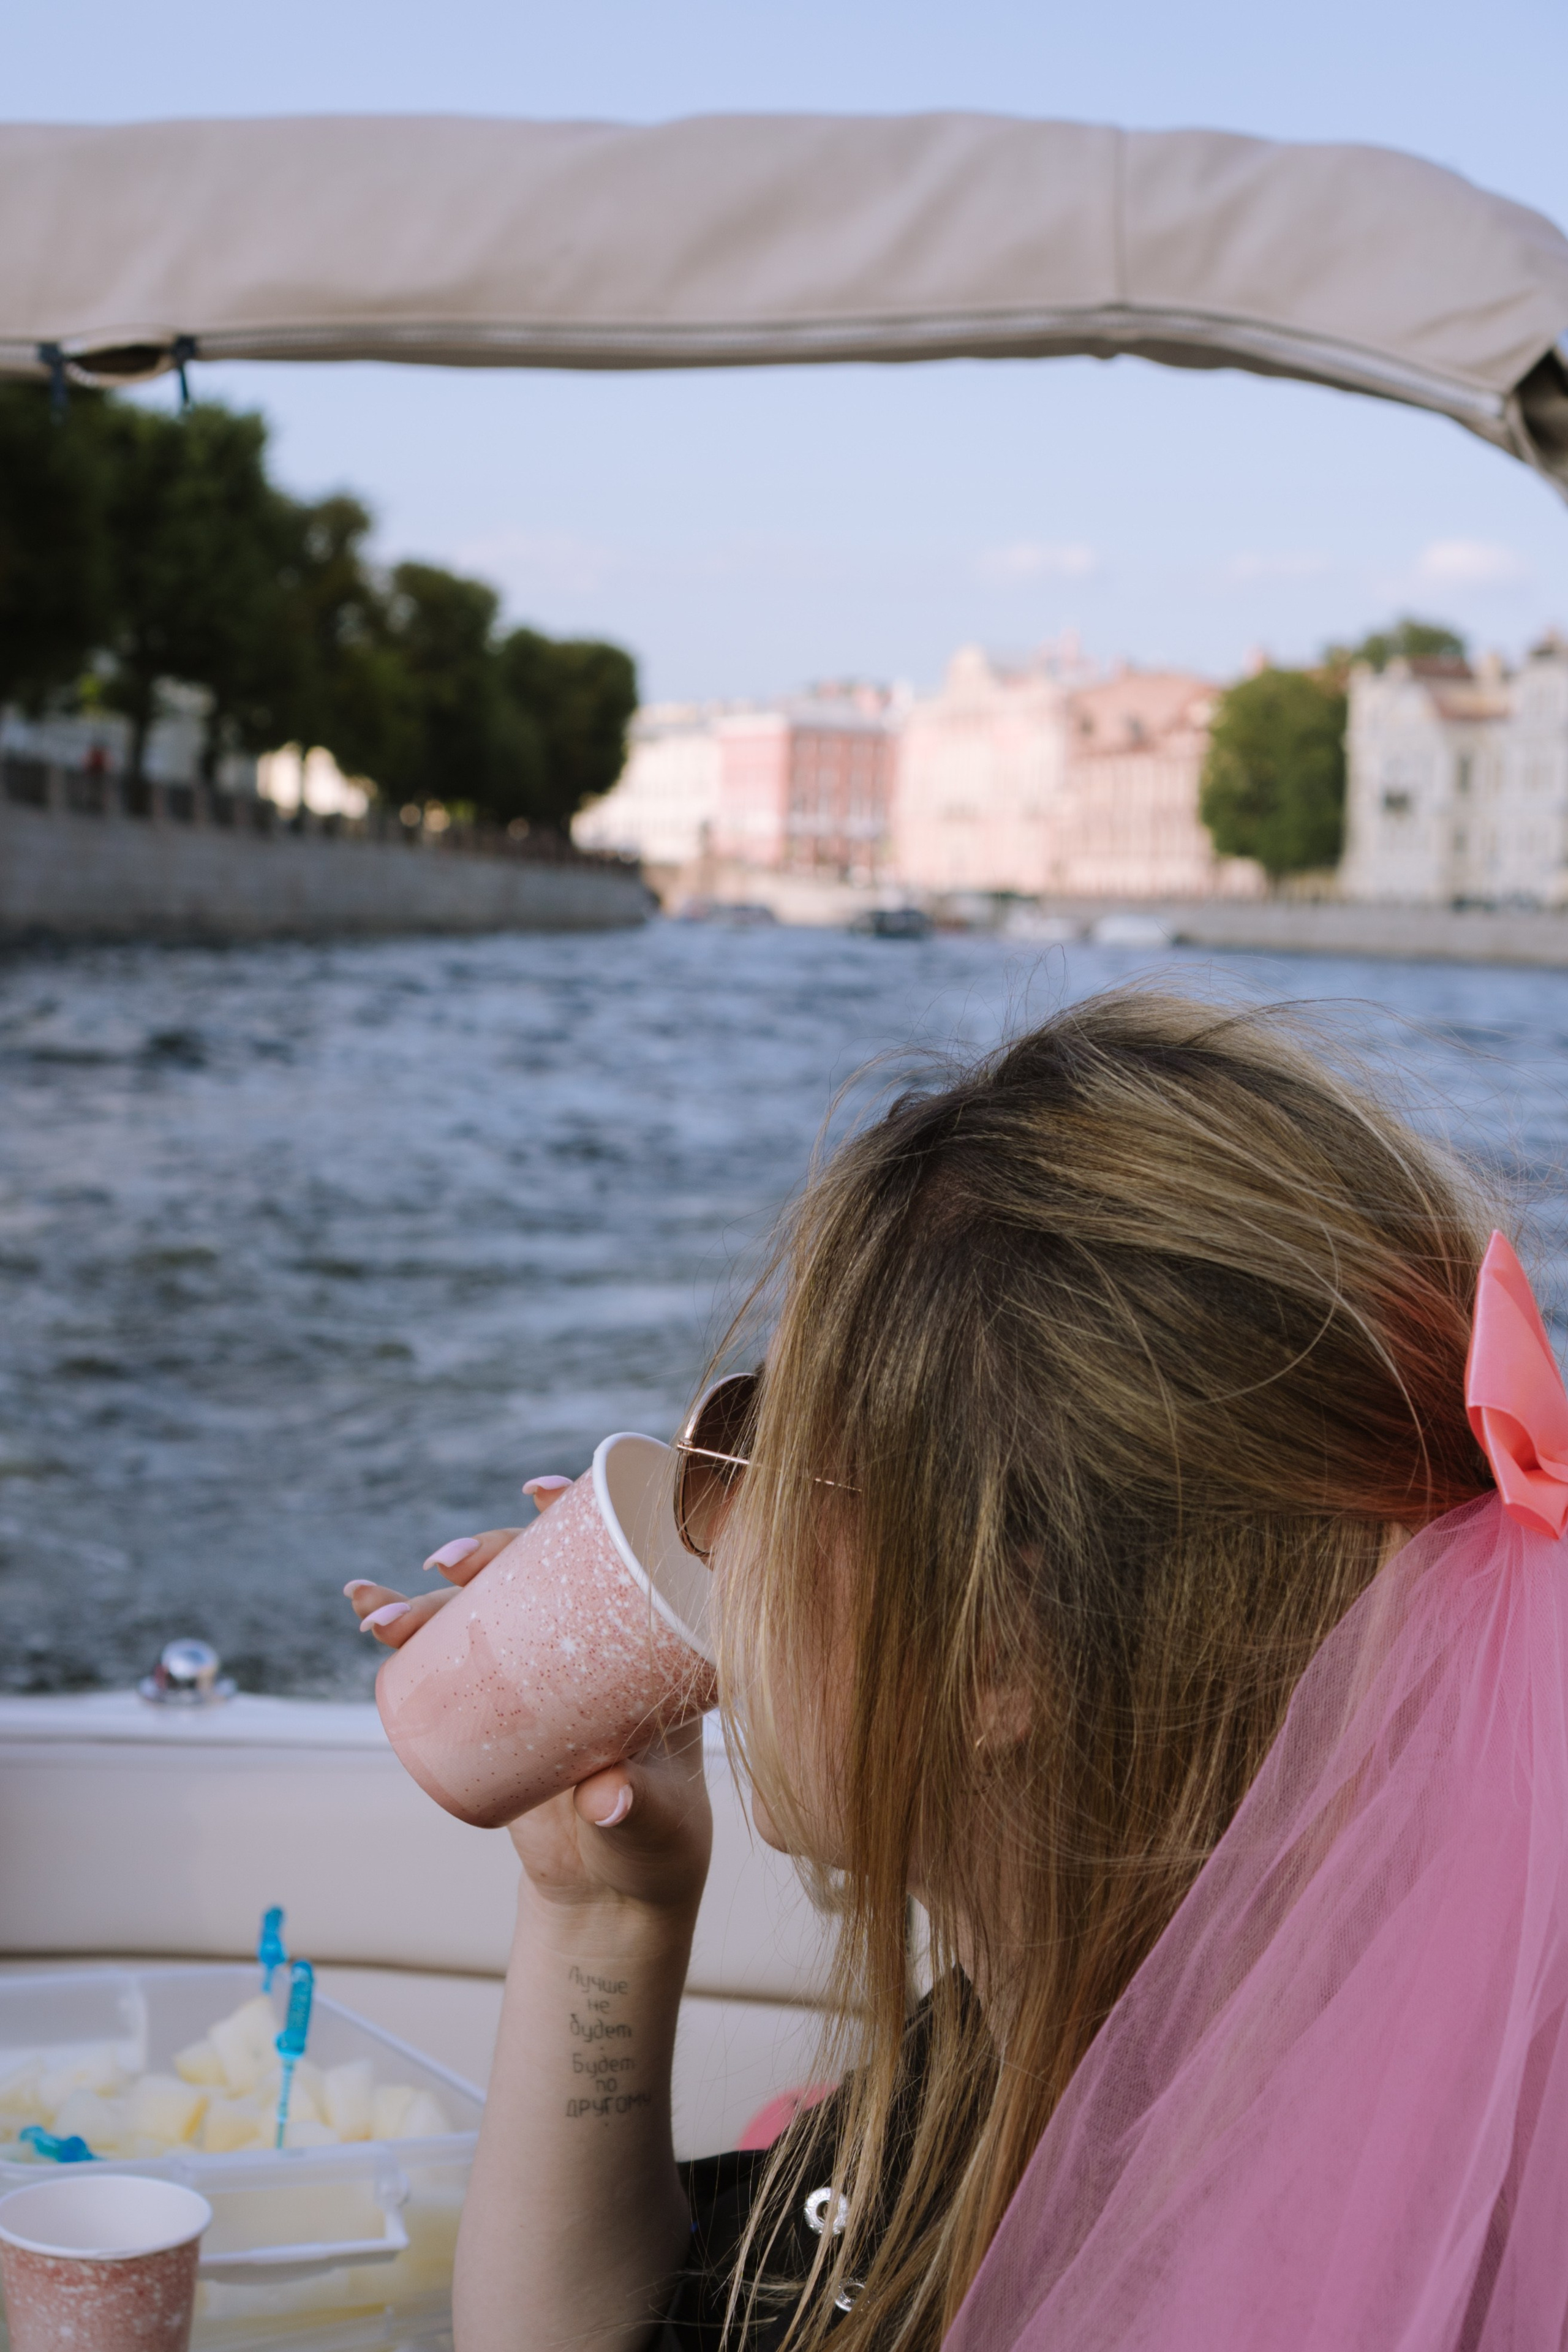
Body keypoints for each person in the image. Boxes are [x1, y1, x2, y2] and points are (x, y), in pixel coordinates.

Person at [347, 987, 1568, 2351]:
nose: (707, 1508)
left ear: (993, 1649)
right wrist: (604, 1917)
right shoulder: (1057, 2035)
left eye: (755, 1441)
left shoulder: (1160, 2252)